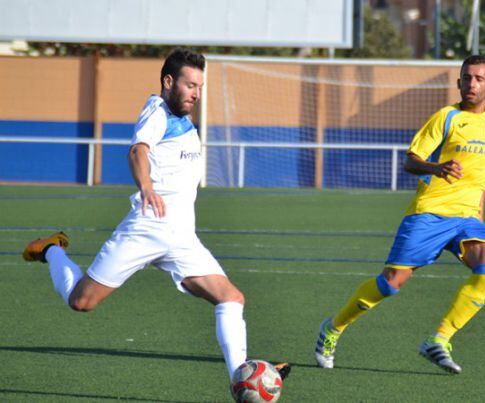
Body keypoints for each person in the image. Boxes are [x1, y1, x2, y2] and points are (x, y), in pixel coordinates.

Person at [22, 48, 288, 383]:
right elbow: (138, 150)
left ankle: (243, 377)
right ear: (168, 81)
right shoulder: (157, 112)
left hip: (181, 238)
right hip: (147, 229)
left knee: (231, 298)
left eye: (200, 87)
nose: (196, 93)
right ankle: (52, 249)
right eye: (190, 85)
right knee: (81, 301)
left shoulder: (185, 122)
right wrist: (146, 185)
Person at [314, 55, 485, 374]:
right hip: (430, 212)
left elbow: (481, 178)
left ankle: (440, 339)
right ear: (458, 82)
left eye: (478, 78)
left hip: (467, 219)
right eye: (466, 78)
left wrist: (479, 219)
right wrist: (437, 167)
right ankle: (333, 329)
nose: (471, 84)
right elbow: (411, 161)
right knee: (391, 283)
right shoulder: (446, 118)